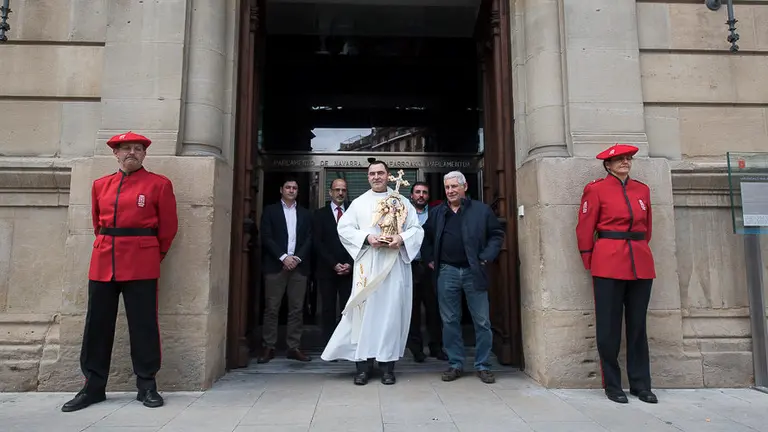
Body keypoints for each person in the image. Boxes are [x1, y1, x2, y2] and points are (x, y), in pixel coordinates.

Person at [62, 131, 179, 412]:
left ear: (144, 154)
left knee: (144, 325)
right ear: (115, 153)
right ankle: (93, 386)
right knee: (97, 326)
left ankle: (147, 384)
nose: (132, 153)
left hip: (142, 261)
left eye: (138, 149)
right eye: (126, 148)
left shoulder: (158, 185)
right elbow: (97, 223)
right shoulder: (101, 185)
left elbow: (168, 228)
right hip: (104, 261)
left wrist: (152, 254)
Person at [321, 161, 424, 385]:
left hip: (394, 267)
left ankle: (387, 367)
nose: (376, 177)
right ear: (368, 177)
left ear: (388, 176)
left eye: (380, 173)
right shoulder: (359, 203)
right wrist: (367, 238)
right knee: (364, 316)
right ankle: (363, 367)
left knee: (390, 315)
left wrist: (400, 238)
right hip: (368, 267)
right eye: (372, 174)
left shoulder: (402, 201)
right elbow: (345, 229)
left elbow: (416, 229)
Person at [575, 143, 658, 405]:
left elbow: (648, 228)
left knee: (637, 327)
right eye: (619, 159)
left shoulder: (642, 190)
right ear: (608, 165)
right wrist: (589, 258)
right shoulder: (596, 189)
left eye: (628, 158)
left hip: (640, 261)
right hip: (609, 261)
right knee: (609, 327)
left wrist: (640, 250)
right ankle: (612, 384)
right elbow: (585, 227)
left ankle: (641, 385)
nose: (625, 162)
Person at [423, 171, 504, 384]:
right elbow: (425, 237)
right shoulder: (437, 212)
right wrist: (430, 258)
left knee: (482, 321)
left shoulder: (481, 211)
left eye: (454, 187)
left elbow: (496, 235)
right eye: (447, 187)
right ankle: (456, 363)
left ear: (465, 186)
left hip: (473, 271)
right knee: (449, 320)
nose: (450, 191)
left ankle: (483, 365)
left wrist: (486, 257)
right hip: (447, 272)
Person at [258, 179, 313, 364]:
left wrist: (296, 258)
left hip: (298, 267)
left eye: (295, 188)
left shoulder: (305, 214)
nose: (291, 190)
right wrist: (283, 257)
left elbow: (309, 239)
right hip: (276, 266)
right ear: (281, 189)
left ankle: (293, 347)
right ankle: (269, 346)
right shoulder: (270, 211)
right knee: (272, 309)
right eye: (288, 187)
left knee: (297, 309)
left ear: (298, 191)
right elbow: (266, 237)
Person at [407, 181, 447, 362]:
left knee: (434, 309)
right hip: (411, 267)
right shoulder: (404, 215)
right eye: (417, 192)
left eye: (424, 192)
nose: (421, 195)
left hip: (431, 268)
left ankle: (436, 347)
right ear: (411, 195)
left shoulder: (436, 214)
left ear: (428, 196)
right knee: (412, 311)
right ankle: (416, 349)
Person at [313, 178, 354, 344]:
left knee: (347, 308)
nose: (340, 193)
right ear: (330, 192)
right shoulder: (319, 214)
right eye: (337, 190)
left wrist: (350, 263)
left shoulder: (353, 213)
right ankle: (329, 344)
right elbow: (317, 242)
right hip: (327, 269)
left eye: (343, 190)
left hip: (349, 269)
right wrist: (333, 264)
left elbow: (358, 241)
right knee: (328, 308)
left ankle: (345, 343)